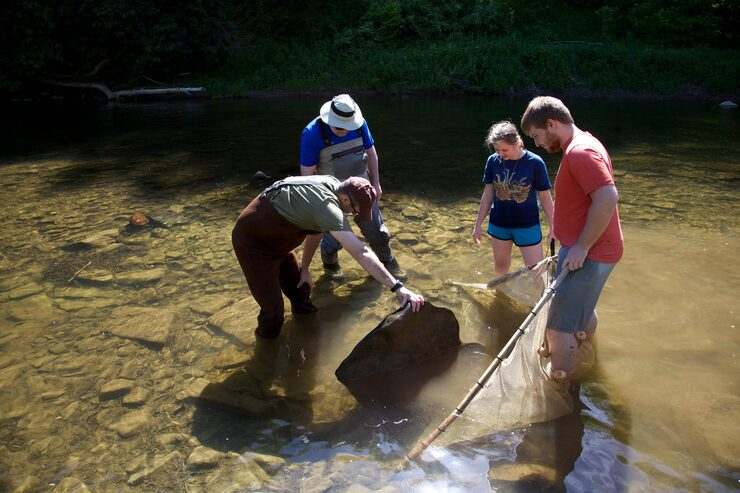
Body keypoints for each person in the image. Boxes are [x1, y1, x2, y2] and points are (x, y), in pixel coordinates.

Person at [232, 175, 424, 339]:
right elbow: (360, 252)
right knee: (273, 312)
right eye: (356, 210)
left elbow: (316, 231)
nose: (354, 214)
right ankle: (264, 356)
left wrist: (305, 268)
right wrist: (398, 288)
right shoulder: (328, 208)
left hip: (278, 242)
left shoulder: (335, 186)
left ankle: (304, 338)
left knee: (301, 291)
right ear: (346, 200)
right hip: (253, 245)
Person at [520, 96, 623, 381]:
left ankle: (563, 385)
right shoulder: (584, 143)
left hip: (590, 252)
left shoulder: (580, 152)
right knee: (579, 309)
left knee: (557, 327)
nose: (537, 144)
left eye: (537, 135)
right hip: (591, 249)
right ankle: (584, 355)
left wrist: (582, 246)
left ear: (551, 123)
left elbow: (607, 197)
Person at [299, 94, 403, 277]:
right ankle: (331, 271)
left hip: (362, 187)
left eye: (348, 127)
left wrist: (376, 184)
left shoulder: (359, 123)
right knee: (333, 242)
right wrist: (314, 208)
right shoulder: (312, 133)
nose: (344, 131)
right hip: (331, 194)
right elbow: (307, 174)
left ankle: (389, 268)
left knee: (378, 233)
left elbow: (371, 154)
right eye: (339, 127)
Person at [473, 120, 554, 275]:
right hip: (499, 224)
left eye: (505, 150)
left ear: (517, 142)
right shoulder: (493, 161)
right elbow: (488, 194)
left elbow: (545, 197)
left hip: (527, 225)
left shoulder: (535, 163)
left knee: (537, 272)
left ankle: (542, 298)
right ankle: (500, 298)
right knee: (500, 270)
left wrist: (553, 226)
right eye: (497, 150)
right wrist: (478, 225)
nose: (501, 154)